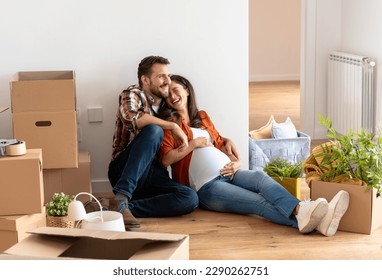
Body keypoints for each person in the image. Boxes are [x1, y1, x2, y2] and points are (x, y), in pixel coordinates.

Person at [158, 74, 350, 236]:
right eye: (168, 95)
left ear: (187, 90)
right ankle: (309, 217)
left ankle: (311, 217)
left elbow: (218, 144)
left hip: (230, 172)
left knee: (260, 177)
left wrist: (234, 160)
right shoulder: (170, 125)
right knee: (258, 203)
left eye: (176, 90)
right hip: (208, 186)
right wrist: (193, 144)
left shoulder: (203, 116)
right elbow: (166, 159)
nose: (173, 96)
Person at [107, 56, 201, 229]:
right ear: (145, 79)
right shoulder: (133, 93)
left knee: (190, 198)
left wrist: (224, 141)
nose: (168, 81)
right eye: (161, 76)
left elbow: (194, 124)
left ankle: (115, 208)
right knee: (154, 130)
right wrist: (171, 126)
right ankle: (121, 197)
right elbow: (132, 118)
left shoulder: (167, 106)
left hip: (153, 173)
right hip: (124, 169)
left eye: (168, 75)